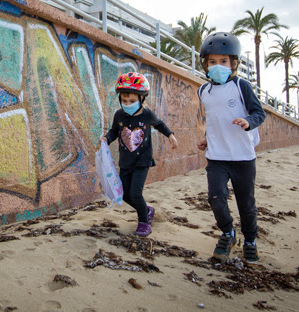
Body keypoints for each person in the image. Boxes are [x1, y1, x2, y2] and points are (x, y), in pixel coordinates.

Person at [197, 32, 266, 262]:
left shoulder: (240, 85)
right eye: (212, 61)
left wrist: (248, 122)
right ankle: (228, 232)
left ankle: (250, 240)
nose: (218, 66)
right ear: (205, 64)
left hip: (243, 157)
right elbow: (214, 118)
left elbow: (259, 113)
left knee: (246, 204)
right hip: (216, 157)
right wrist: (207, 137)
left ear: (234, 63)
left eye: (224, 61)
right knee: (216, 198)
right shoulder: (203, 91)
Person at [101, 72, 178, 237]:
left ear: (142, 99)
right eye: (124, 101)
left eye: (132, 101)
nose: (127, 104)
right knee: (124, 195)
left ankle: (143, 222)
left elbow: (159, 124)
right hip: (125, 162)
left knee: (136, 193)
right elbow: (114, 131)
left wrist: (170, 135)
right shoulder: (119, 115)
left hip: (142, 161)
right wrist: (107, 138)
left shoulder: (147, 114)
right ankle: (146, 210)